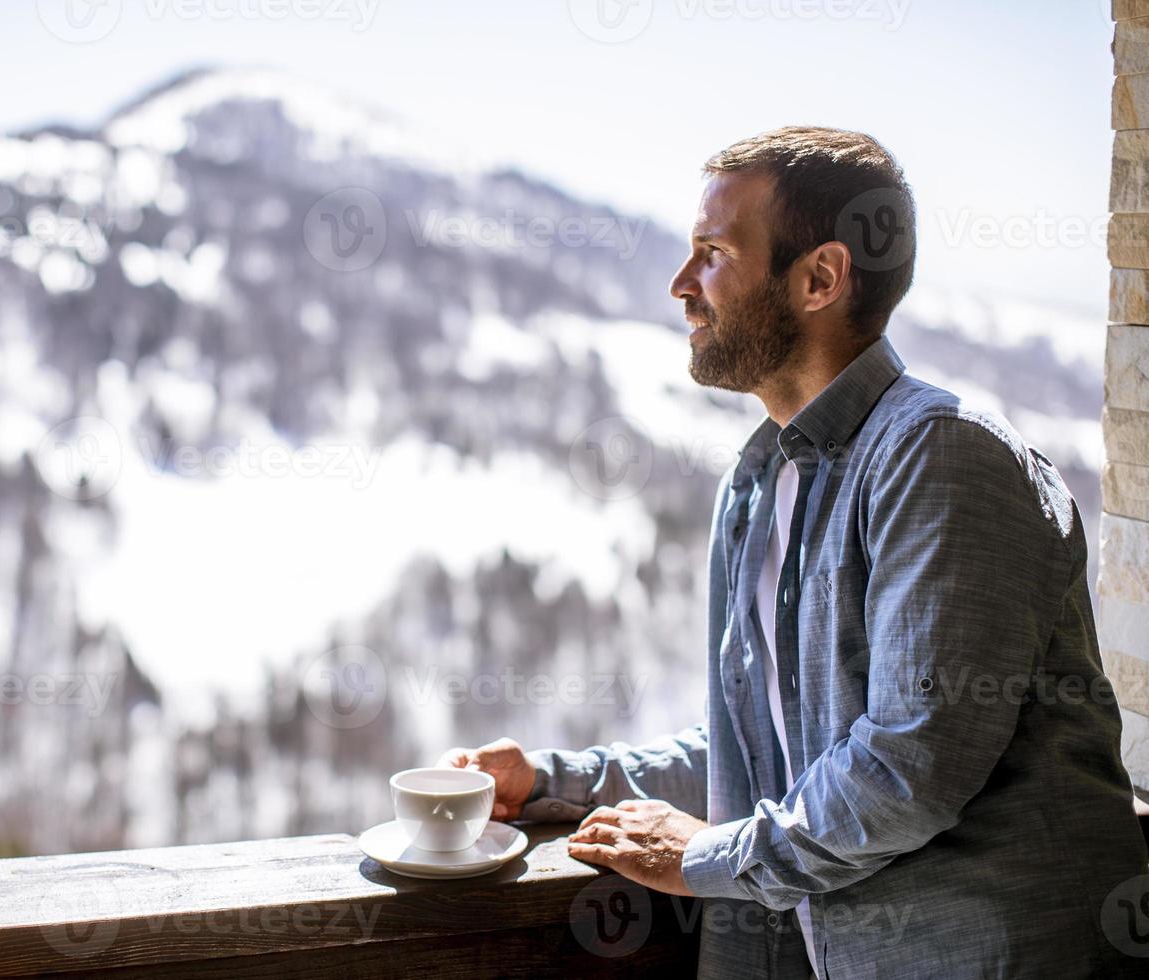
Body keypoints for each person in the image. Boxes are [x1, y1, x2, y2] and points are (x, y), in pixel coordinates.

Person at [439, 127, 1149, 979]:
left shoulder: (939, 457)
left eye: (710, 253)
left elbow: (908, 766)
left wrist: (702, 858)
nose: (680, 286)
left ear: (819, 279)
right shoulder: (759, 483)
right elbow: (763, 750)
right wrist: (562, 778)